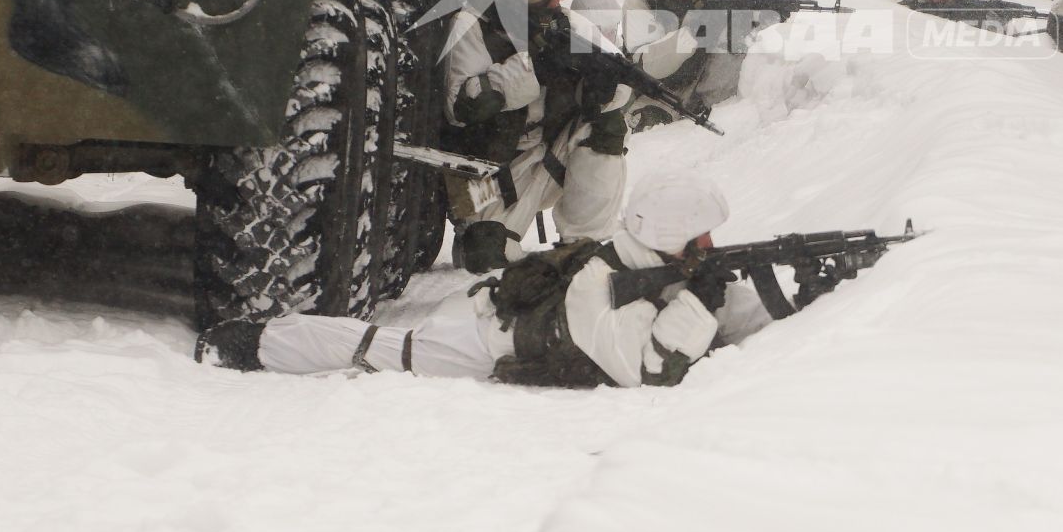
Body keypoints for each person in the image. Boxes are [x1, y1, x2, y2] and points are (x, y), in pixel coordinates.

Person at [194, 173, 781, 385]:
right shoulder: (599, 284)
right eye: (701, 237)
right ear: (672, 235)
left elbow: (750, 315)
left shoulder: (659, 269)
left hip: (504, 308)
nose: (709, 248)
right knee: (375, 349)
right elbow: (650, 370)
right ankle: (253, 341)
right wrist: (702, 304)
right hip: (478, 336)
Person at [439, 0, 630, 248]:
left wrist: (602, 87)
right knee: (488, 256)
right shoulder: (473, 25)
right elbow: (461, 107)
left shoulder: (564, 23)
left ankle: (583, 243)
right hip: (486, 178)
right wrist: (535, 67)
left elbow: (619, 74)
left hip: (547, 159)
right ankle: (478, 235)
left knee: (607, 126)